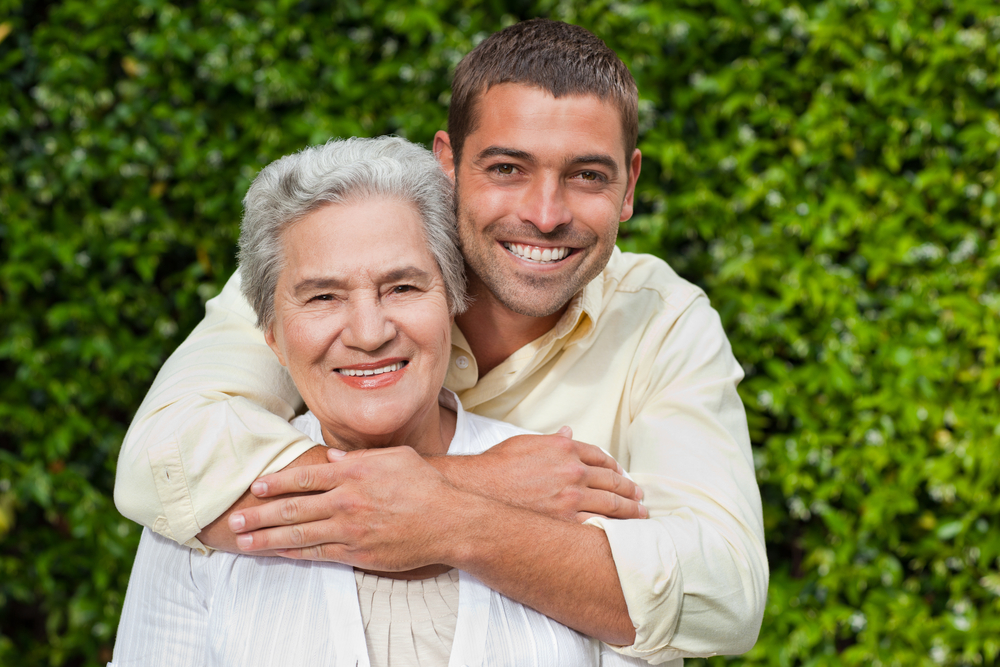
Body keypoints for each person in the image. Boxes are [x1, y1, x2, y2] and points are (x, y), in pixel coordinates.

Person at [115, 19, 767, 664]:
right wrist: (469, 482)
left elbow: (722, 594)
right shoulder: (341, 255)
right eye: (508, 168)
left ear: (629, 184)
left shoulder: (664, 320)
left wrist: (454, 520)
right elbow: (162, 457)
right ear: (449, 162)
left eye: (587, 176)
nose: (545, 213)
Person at [109, 136, 647, 666]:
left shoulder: (567, 490)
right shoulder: (206, 513)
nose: (369, 333)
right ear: (271, 334)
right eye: (323, 296)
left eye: (404, 288)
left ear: (454, 303)